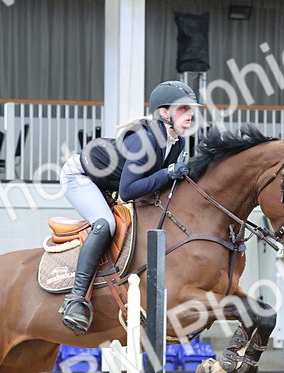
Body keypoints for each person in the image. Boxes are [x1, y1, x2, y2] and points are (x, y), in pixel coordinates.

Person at [57, 80, 198, 334]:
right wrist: (168, 172)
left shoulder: (176, 143)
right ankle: (76, 299)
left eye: (191, 109)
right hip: (81, 177)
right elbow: (128, 190)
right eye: (182, 109)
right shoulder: (145, 139)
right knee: (105, 224)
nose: (190, 114)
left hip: (108, 182)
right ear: (164, 113)